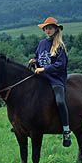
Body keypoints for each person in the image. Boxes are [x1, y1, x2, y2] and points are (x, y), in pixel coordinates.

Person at [29, 17, 71, 147]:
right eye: (46, 28)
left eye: (50, 28)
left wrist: (44, 69)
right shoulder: (42, 43)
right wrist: (34, 61)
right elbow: (38, 56)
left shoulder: (60, 46)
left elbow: (61, 64)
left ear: (55, 29)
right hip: (41, 77)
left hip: (55, 79)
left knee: (59, 100)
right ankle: (26, 125)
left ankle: (66, 130)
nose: (47, 30)